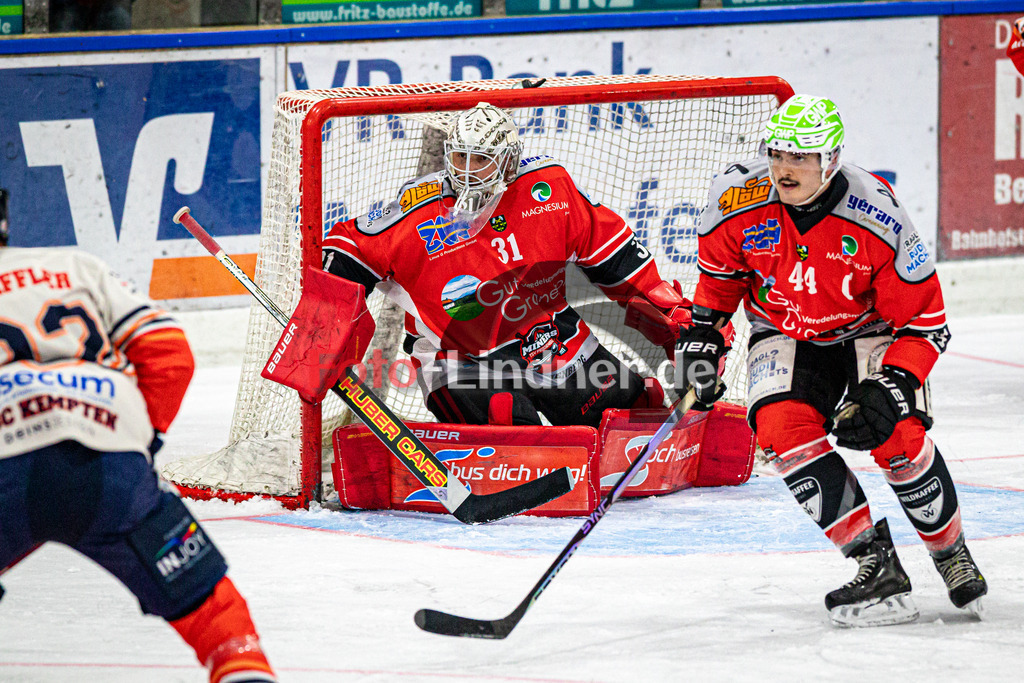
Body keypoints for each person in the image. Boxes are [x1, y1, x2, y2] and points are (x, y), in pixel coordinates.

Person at [678, 94, 987, 627]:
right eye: (777, 153)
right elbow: (719, 284)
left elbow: (926, 324)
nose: (784, 168)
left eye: (801, 157)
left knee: (897, 435)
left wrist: (891, 385)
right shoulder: (734, 198)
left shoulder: (877, 215)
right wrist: (703, 336)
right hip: (784, 329)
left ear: (832, 159)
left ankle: (950, 553)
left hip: (872, 332)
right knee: (778, 428)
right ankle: (875, 563)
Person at [0, 207, 276, 682]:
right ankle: (240, 664)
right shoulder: (74, 265)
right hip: (108, 463)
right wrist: (136, 441)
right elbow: (168, 352)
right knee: (207, 603)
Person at [323, 102, 694, 428]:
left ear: (509, 160)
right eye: (460, 157)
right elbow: (348, 247)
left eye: (481, 159)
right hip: (460, 359)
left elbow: (618, 258)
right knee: (514, 428)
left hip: (551, 339)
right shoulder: (417, 210)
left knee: (634, 409)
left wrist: (673, 318)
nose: (468, 171)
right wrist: (325, 327)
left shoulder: (548, 190)